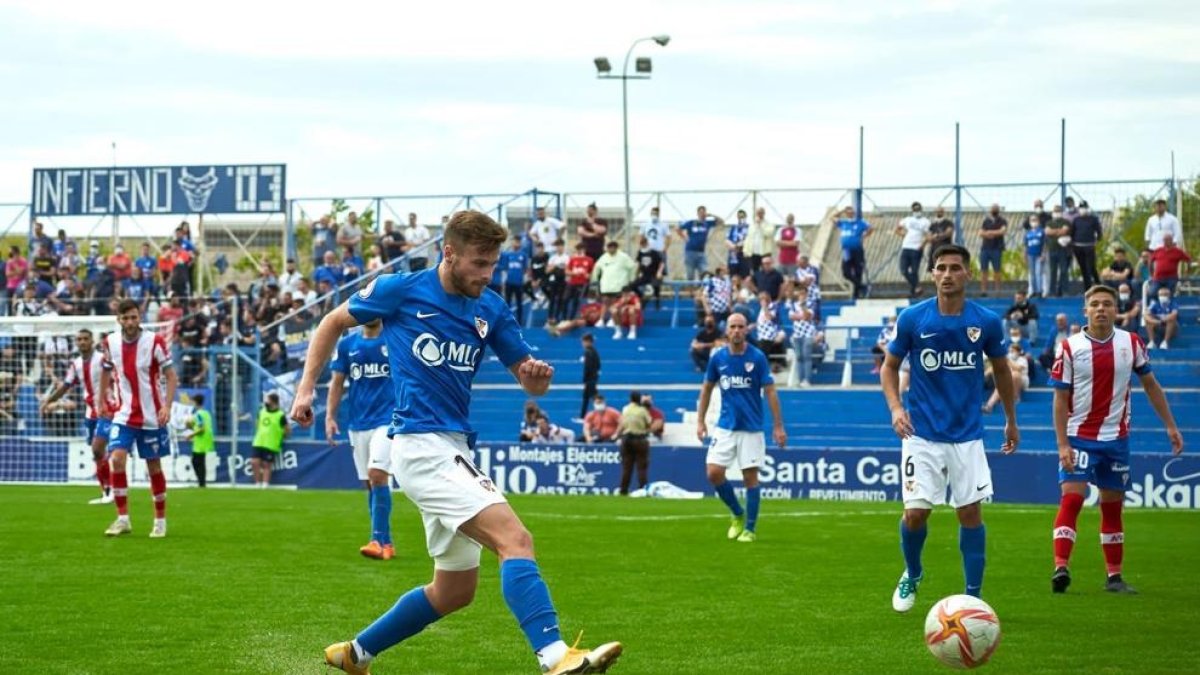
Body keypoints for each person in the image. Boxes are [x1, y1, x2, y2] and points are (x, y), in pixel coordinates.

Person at [289, 210, 621, 675]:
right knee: (515, 539)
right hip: (421, 444)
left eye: (493, 264)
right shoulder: (399, 290)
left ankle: (355, 654)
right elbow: (330, 322)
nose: (487, 275)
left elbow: (529, 383)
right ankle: (555, 658)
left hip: (454, 447)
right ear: (449, 253)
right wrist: (306, 391)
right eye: (479, 263)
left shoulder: (491, 308)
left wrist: (535, 377)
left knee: (454, 591)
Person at [880, 243, 1019, 612]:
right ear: (932, 274)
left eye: (955, 268)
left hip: (967, 435)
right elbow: (889, 367)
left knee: (969, 514)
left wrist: (1010, 419)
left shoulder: (986, 321)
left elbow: (1003, 370)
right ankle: (912, 572)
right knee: (915, 514)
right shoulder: (913, 318)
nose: (946, 274)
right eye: (940, 267)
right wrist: (895, 408)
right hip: (920, 434)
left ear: (968, 274)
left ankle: (973, 598)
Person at [1048, 284, 1183, 594]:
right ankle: (1061, 568)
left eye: (1107, 304)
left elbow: (1151, 385)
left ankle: (1114, 577)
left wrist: (1171, 426)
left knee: (1112, 507)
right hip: (1079, 437)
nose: (1101, 309)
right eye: (1095, 304)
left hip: (1116, 439)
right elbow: (1059, 399)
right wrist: (1062, 444)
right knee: (1072, 498)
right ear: (1085, 311)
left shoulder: (1131, 342)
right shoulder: (1069, 347)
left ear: (1115, 309)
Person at [696, 313, 787, 543]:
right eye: (732, 326)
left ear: (747, 330)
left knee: (750, 479)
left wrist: (778, 426)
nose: (736, 330)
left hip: (751, 428)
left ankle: (750, 529)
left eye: (741, 326)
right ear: (726, 330)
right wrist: (700, 420)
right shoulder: (718, 358)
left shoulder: (757, 358)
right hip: (725, 426)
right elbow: (706, 389)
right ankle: (737, 512)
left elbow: (770, 391)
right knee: (713, 473)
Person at [98, 299, 179, 538]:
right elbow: (105, 369)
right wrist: (102, 399)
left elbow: (171, 376)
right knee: (117, 458)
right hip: (124, 415)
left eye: (134, 317)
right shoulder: (110, 342)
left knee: (153, 465)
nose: (131, 322)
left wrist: (167, 406)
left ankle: (160, 521)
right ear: (119, 320)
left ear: (139, 317)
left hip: (152, 415)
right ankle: (123, 519)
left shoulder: (154, 341)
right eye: (126, 318)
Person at [327, 319, 396, 560]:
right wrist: (330, 417)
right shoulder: (347, 344)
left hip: (388, 419)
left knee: (377, 473)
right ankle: (386, 541)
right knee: (370, 483)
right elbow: (337, 383)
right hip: (358, 423)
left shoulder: (394, 338)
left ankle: (377, 539)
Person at [40, 329, 113, 504]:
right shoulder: (76, 364)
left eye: (85, 339)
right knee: (97, 454)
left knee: (98, 448)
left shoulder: (102, 359)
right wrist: (47, 401)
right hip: (90, 413)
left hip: (108, 410)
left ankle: (113, 488)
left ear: (92, 341)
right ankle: (106, 492)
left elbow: (116, 377)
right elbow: (66, 386)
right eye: (79, 339)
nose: (82, 342)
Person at [616, 390, 653, 495]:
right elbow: (649, 424)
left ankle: (623, 490)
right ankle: (643, 489)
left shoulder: (625, 409)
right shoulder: (642, 411)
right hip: (640, 439)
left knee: (627, 467)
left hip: (626, 439)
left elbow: (622, 424)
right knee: (641, 467)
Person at [251, 392, 289, 488]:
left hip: (271, 443)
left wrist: (282, 436)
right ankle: (257, 483)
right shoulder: (261, 412)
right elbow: (257, 424)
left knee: (266, 464)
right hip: (259, 441)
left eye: (267, 400)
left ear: (273, 401)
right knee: (254, 462)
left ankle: (265, 484)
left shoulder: (280, 415)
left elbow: (287, 429)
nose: (265, 402)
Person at [677, 205, 724, 281]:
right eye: (700, 212)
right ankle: (691, 291)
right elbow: (678, 228)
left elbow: (721, 221)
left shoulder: (707, 223)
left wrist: (711, 215)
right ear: (698, 213)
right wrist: (684, 237)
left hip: (701, 253)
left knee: (704, 273)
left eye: (703, 212)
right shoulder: (691, 223)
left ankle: (701, 291)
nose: (702, 214)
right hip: (690, 252)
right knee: (690, 275)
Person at [835, 206, 871, 299]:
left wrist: (864, 236)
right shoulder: (844, 223)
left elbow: (870, 228)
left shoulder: (860, 222)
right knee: (846, 272)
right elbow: (832, 217)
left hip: (857, 250)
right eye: (848, 212)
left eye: (851, 212)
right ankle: (861, 286)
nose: (849, 214)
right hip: (846, 250)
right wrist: (842, 210)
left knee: (858, 271)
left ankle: (856, 294)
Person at [895, 202, 930, 298]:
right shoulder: (907, 220)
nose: (917, 211)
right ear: (912, 210)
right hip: (906, 247)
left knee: (914, 271)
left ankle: (914, 292)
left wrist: (923, 244)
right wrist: (903, 235)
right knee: (903, 270)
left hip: (917, 248)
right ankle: (917, 286)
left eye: (918, 209)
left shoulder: (925, 221)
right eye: (915, 210)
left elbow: (928, 236)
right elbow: (897, 229)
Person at [983, 342, 1029, 414]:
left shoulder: (1022, 360)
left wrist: (1007, 361)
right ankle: (989, 406)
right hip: (1008, 381)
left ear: (1018, 352)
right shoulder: (1007, 361)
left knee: (1015, 374)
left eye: (1012, 351)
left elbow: (1018, 369)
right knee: (1001, 384)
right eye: (1010, 351)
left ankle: (1015, 397)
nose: (1011, 353)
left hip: (1022, 380)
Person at [182, 393, 214, 488]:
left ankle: (201, 483)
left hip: (200, 441)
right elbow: (201, 426)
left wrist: (190, 435)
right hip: (206, 439)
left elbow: (201, 429)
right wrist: (190, 425)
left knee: (196, 462)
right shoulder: (206, 413)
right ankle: (202, 483)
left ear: (195, 402)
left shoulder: (198, 414)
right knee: (200, 462)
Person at [1069, 200, 1103, 290]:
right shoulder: (1076, 220)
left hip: (1089, 246)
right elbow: (1072, 232)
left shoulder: (1093, 219)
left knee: (1091, 267)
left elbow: (1099, 232)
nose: (1083, 210)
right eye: (1081, 208)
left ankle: (1098, 283)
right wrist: (1071, 243)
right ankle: (1087, 288)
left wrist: (1098, 240)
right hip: (1078, 247)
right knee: (1083, 268)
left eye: (1084, 208)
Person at [787, 286, 817, 387]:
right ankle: (800, 380)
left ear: (807, 294)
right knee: (799, 357)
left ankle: (807, 380)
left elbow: (808, 316)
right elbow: (791, 317)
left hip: (808, 333)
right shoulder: (793, 305)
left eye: (803, 293)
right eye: (800, 293)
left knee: (806, 356)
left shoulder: (811, 303)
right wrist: (802, 316)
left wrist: (803, 309)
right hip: (797, 334)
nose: (802, 296)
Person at [498, 236, 529, 326]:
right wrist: (503, 282)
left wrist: (524, 280)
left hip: (519, 283)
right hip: (509, 282)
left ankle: (519, 322)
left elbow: (525, 269)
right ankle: (507, 321)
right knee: (507, 302)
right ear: (512, 242)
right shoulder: (507, 255)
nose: (516, 243)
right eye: (515, 241)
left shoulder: (523, 255)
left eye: (518, 242)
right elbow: (504, 268)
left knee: (519, 302)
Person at [978, 204, 1007, 297]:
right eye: (992, 208)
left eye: (995, 209)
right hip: (985, 249)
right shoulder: (986, 221)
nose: (994, 210)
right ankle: (983, 291)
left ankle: (998, 291)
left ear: (998, 210)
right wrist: (992, 233)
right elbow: (980, 233)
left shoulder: (1002, 221)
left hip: (996, 249)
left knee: (997, 270)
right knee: (983, 270)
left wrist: (989, 232)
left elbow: (1002, 231)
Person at [1045, 205, 1073, 297]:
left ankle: (1065, 291)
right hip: (1052, 250)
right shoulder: (1049, 222)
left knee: (1064, 271)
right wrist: (1058, 231)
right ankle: (1052, 291)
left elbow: (1064, 232)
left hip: (1063, 250)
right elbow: (1047, 232)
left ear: (1062, 212)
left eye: (1059, 211)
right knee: (1053, 271)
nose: (1057, 213)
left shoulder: (1066, 222)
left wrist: (1054, 231)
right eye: (1055, 211)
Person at [1024, 213, 1047, 297]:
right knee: (1031, 274)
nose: (1033, 222)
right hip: (1030, 255)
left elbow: (1044, 244)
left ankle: (1039, 290)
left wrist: (1043, 254)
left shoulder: (1041, 231)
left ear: (1038, 221)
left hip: (1038, 255)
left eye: (1035, 220)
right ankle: (1032, 290)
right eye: (1031, 220)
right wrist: (1025, 255)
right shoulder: (1028, 233)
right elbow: (1026, 245)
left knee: (1038, 273)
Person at [580, 332, 601, 420]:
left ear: (588, 341)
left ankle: (583, 416)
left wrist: (585, 380)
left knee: (590, 398)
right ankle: (584, 415)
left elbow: (587, 367)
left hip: (589, 379)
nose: (582, 344)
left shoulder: (588, 352)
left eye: (583, 342)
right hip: (594, 377)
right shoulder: (595, 352)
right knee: (591, 397)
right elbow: (599, 365)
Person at [774, 213, 801, 278]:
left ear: (793, 220)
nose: (789, 220)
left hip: (793, 260)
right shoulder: (781, 230)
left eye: (791, 219)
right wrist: (790, 243)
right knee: (779, 279)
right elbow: (777, 243)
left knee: (793, 279)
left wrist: (783, 243)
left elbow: (796, 243)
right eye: (788, 218)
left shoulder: (797, 230)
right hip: (782, 259)